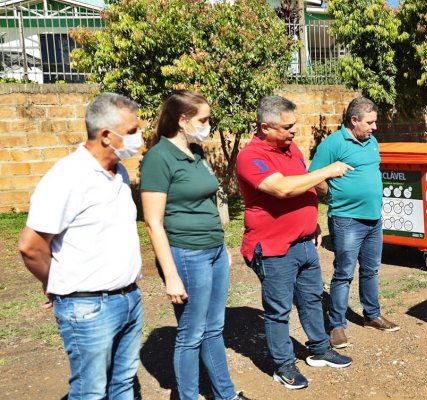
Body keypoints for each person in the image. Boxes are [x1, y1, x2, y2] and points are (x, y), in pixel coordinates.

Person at [18, 92, 144, 399]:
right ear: (105, 135)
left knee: (124, 383)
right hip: (87, 307)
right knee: (91, 391)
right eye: (132, 132)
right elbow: (31, 246)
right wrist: (53, 281)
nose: (139, 138)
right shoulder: (67, 178)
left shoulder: (119, 172)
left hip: (128, 299)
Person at [235, 95, 353, 390]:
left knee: (312, 298)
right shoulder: (251, 156)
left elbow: (301, 185)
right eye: (287, 127)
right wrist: (326, 170)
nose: (293, 131)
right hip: (273, 248)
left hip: (303, 242)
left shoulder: (291, 149)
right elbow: (283, 189)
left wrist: (311, 223)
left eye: (294, 125)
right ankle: (283, 366)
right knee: (278, 310)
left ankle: (319, 349)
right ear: (265, 127)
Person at [139, 90, 248, 400]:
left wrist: (221, 244)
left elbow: (206, 204)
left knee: (214, 329)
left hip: (212, 251)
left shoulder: (195, 152)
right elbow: (153, 222)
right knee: (190, 334)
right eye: (203, 119)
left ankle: (225, 395)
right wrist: (171, 274)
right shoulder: (158, 159)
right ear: (182, 120)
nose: (208, 125)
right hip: (186, 255)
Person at [309, 96, 400, 350]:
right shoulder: (333, 143)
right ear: (354, 120)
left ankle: (372, 315)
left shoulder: (372, 142)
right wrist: (331, 195)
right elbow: (314, 175)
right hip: (346, 219)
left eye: (375, 122)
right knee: (344, 273)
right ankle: (337, 325)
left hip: (373, 219)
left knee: (371, 270)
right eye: (369, 122)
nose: (374, 127)